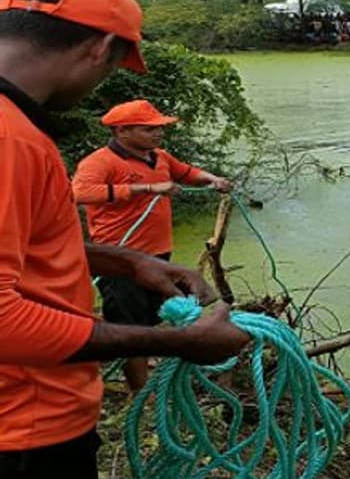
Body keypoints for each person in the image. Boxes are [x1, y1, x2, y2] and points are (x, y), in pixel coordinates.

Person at [0, 0, 249, 477]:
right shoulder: (13, 140)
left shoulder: (19, 129)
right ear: (103, 47)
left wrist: (125, 259)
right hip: (25, 427)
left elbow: (22, 246)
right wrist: (175, 342)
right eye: (115, 65)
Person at [72, 100, 233, 392]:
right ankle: (140, 396)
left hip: (159, 255)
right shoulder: (100, 161)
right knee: (130, 326)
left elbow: (186, 172)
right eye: (149, 129)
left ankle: (163, 371)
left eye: (160, 128)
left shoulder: (159, 157)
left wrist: (212, 179)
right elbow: (80, 193)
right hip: (119, 259)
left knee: (160, 314)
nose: (158, 134)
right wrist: (145, 189)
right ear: (122, 131)